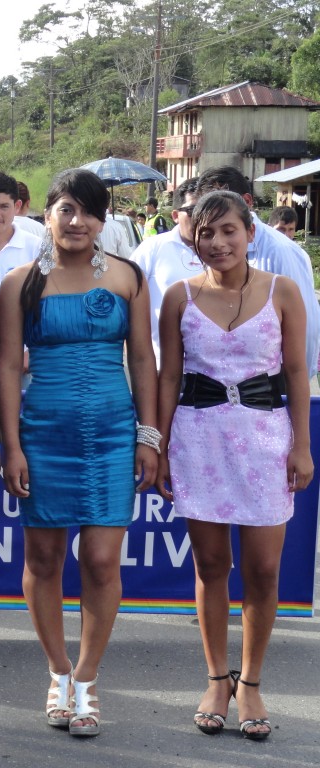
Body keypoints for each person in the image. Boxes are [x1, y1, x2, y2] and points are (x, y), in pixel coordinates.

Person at [0, 168, 159, 738]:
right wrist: (10, 445)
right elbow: (5, 367)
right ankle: (58, 672)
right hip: (43, 434)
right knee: (43, 560)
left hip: (113, 434)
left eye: (90, 211)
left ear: (103, 219)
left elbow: (143, 360)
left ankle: (88, 679)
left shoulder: (128, 276)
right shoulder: (20, 282)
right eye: (66, 208)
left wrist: (148, 436)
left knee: (101, 561)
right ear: (46, 215)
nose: (77, 221)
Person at [156, 190, 312, 742]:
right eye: (206, 233)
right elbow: (168, 377)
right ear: (193, 239)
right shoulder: (178, 296)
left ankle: (251, 682)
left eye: (228, 230)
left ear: (250, 232)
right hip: (197, 440)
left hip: (266, 441)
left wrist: (302, 444)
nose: (218, 242)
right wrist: (160, 445)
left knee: (264, 569)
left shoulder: (282, 290)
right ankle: (216, 679)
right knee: (211, 565)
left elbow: (298, 371)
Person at [196, 166, 320, 377]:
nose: (217, 238)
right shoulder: (210, 249)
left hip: (270, 383)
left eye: (222, 204)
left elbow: (305, 328)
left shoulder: (279, 251)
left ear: (247, 201)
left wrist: (293, 384)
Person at [131, 177, 202, 363]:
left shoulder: (224, 253)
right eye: (193, 210)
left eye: (208, 209)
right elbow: (128, 299)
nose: (202, 217)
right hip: (161, 362)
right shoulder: (152, 248)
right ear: (176, 215)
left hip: (210, 368)